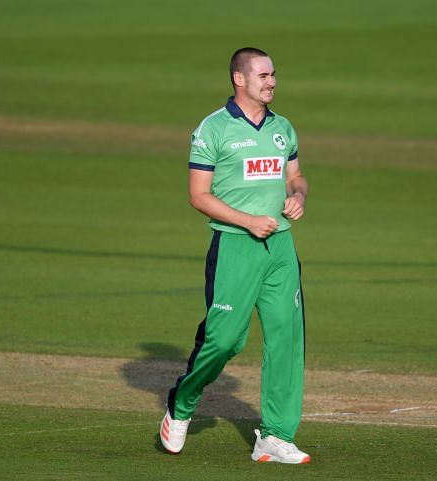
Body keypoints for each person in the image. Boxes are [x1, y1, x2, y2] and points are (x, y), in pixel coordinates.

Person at [159, 47, 311, 463]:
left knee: (286, 338)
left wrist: (297, 195)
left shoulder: (283, 127)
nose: (272, 82)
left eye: (274, 74)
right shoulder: (214, 129)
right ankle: (182, 402)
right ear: (239, 80)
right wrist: (246, 221)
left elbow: (295, 176)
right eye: (263, 75)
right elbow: (198, 196)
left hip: (280, 247)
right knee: (224, 340)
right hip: (234, 245)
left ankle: (276, 436)